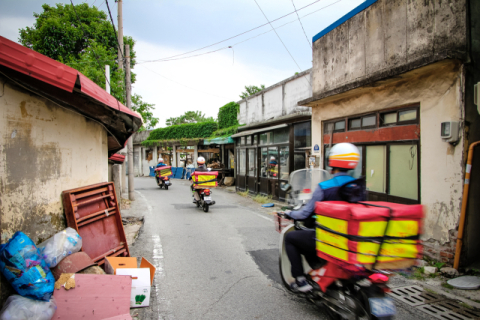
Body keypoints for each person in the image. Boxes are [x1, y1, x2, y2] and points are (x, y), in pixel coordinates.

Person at [283, 142, 362, 292]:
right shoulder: (360, 187)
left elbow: (305, 213)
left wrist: (289, 213)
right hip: (354, 240)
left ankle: (300, 280)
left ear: (332, 162)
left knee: (291, 238)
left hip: (330, 238)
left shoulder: (324, 187)